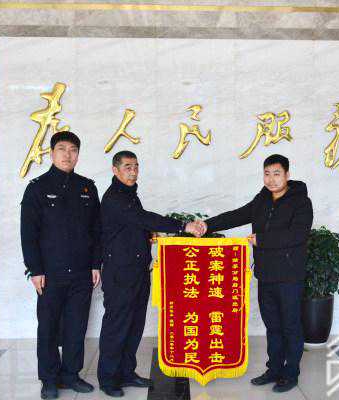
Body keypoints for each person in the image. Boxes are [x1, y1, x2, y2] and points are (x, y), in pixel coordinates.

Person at [201, 154, 313, 393]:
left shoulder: (301, 202)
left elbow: (297, 235)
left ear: (287, 175)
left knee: (291, 325)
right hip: (266, 275)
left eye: (277, 174)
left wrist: (262, 239)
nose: (271, 179)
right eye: (267, 174)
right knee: (272, 326)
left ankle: (291, 373)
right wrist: (207, 225)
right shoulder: (262, 199)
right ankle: (274, 370)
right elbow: (237, 215)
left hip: (289, 277)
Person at [97, 151, 204, 397]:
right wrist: (183, 226)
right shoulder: (114, 197)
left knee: (134, 324)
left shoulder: (130, 194)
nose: (133, 171)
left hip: (137, 270)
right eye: (127, 167)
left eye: (136, 166)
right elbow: (142, 218)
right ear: (115, 170)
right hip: (120, 274)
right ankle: (108, 379)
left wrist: (148, 235)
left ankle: (127, 372)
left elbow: (133, 226)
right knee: (117, 325)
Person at [20, 131, 101, 399]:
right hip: (50, 273)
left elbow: (97, 230)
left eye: (73, 150)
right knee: (48, 327)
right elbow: (28, 233)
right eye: (62, 149)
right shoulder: (37, 188)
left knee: (77, 326)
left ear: (78, 155)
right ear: (52, 153)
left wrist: (95, 264)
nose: (68, 155)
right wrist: (35, 269)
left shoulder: (87, 187)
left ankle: (71, 375)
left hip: (81, 271)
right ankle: (49, 379)